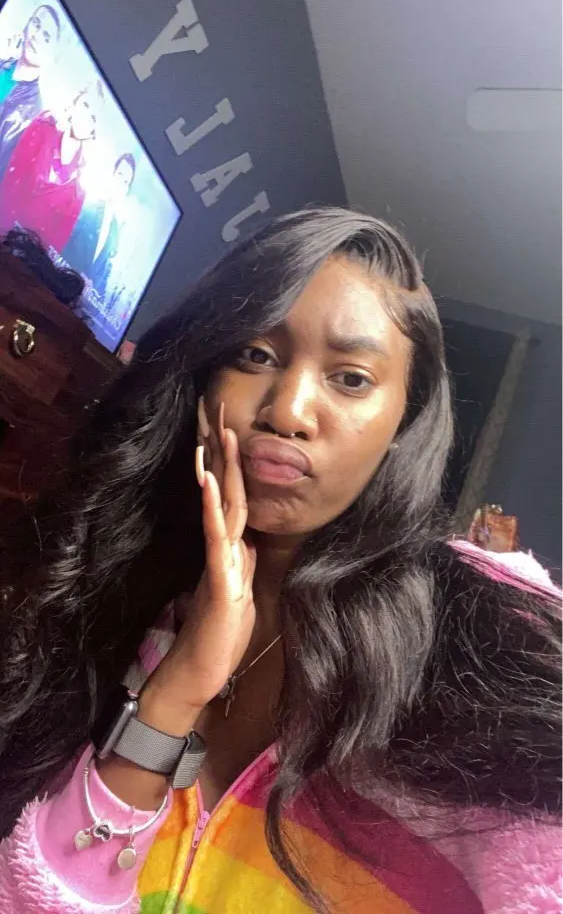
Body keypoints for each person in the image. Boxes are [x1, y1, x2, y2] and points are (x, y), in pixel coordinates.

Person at [0, 207, 560, 914]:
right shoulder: (116, 599)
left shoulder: (487, 637)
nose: (288, 412)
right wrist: (170, 701)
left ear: (404, 422)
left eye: (350, 378)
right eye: (255, 356)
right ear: (202, 378)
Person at [0, 79, 104, 254]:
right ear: (75, 103)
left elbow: (53, 244)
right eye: (86, 105)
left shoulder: (79, 186)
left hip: (16, 258)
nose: (86, 117)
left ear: (94, 129)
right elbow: (8, 172)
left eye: (93, 117)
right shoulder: (41, 127)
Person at [63, 152, 137, 299]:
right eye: (120, 175)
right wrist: (78, 274)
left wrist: (92, 286)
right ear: (112, 175)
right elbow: (62, 244)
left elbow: (101, 274)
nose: (121, 184)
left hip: (74, 303)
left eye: (126, 182)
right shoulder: (87, 205)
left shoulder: (115, 231)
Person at [0, 4, 61, 180]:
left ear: (51, 56)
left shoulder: (33, 114)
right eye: (36, 24)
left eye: (46, 37)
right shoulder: (2, 64)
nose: (36, 36)